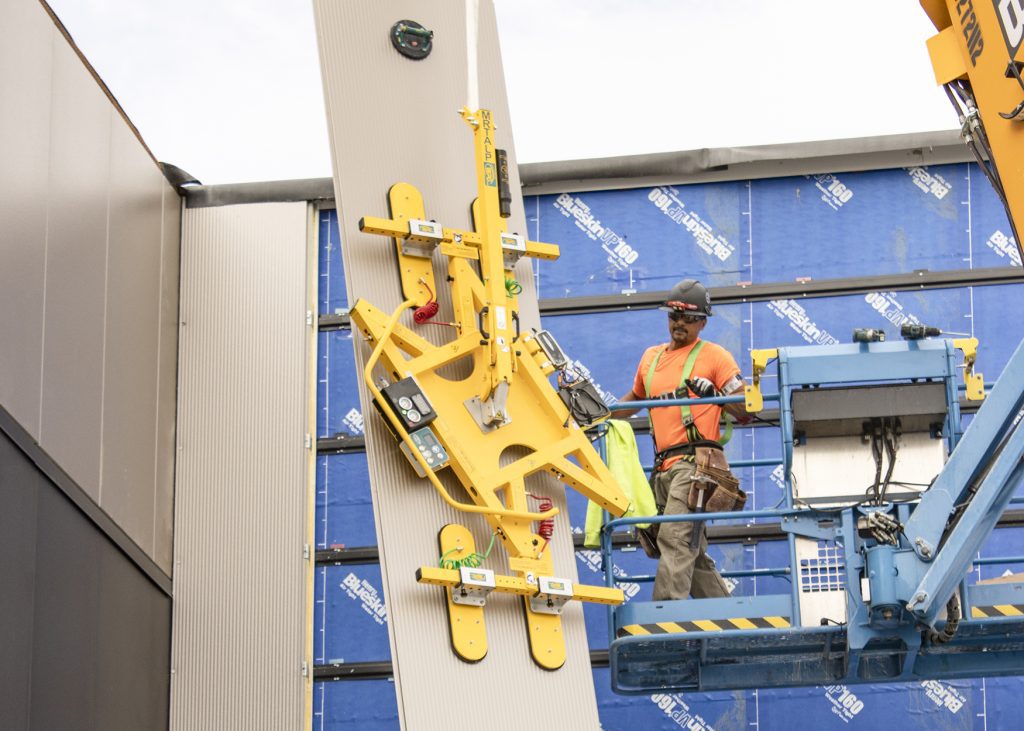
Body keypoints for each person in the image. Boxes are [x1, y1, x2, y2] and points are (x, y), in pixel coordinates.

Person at [617, 279, 750, 601]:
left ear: (702, 322)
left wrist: (717, 396)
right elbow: (633, 401)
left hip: (695, 466)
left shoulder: (716, 357)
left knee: (676, 539)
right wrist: (595, 421)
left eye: (689, 319)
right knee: (690, 549)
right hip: (662, 469)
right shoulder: (651, 357)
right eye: (674, 316)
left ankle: (664, 617)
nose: (680, 323)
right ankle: (730, 619)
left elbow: (745, 410)